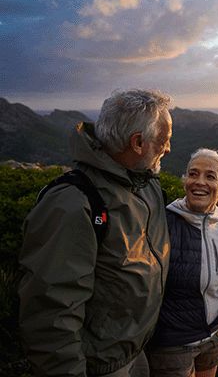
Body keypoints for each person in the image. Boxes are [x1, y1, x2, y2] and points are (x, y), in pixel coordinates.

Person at [18, 89, 174, 377]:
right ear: (138, 143)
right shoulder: (72, 205)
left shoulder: (146, 185)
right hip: (99, 365)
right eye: (164, 141)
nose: (167, 149)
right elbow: (51, 314)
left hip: (137, 353)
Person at [146, 148, 218, 377]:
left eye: (210, 176)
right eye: (193, 174)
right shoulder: (163, 224)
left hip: (213, 338)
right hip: (172, 345)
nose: (199, 182)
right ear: (185, 180)